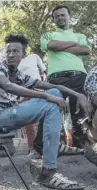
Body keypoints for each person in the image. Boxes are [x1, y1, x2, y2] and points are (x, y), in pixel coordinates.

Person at [0, 33, 93, 190]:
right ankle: (48, 171)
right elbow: (8, 86)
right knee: (51, 102)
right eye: (8, 51)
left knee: (55, 93)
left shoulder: (20, 76)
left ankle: (46, 146)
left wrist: (79, 95)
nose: (11, 55)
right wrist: (44, 95)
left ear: (23, 55)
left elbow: (54, 87)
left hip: (11, 114)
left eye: (16, 51)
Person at [35, 5, 92, 151]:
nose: (60, 18)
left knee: (80, 113)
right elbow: (51, 45)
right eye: (57, 16)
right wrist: (73, 45)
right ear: (53, 20)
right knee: (49, 109)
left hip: (79, 76)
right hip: (56, 79)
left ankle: (82, 148)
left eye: (63, 15)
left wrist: (60, 47)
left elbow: (85, 49)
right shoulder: (48, 35)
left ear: (69, 17)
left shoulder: (80, 36)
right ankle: (39, 147)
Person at [17, 54, 46, 157]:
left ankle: (42, 149)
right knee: (28, 124)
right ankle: (32, 149)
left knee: (41, 122)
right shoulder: (14, 60)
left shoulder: (34, 56)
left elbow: (44, 71)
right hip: (23, 92)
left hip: (37, 90)